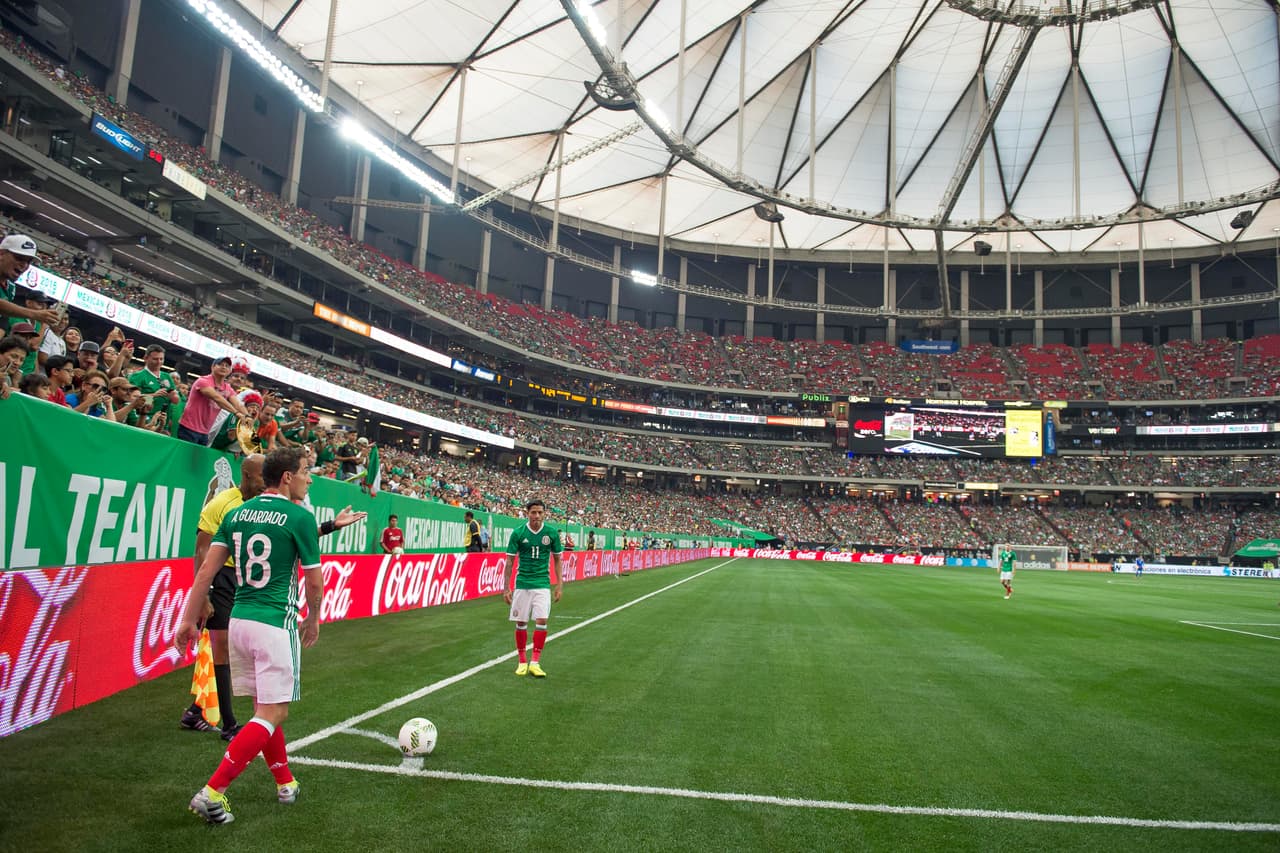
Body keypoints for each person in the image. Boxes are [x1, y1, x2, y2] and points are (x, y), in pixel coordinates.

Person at [174, 447, 321, 824]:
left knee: (264, 709)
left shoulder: (237, 513)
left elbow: (206, 571)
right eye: (305, 471)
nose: (309, 478)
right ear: (286, 477)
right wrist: (314, 618)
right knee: (274, 710)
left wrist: (188, 619)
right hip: (274, 624)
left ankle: (285, 781)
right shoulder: (300, 516)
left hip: (238, 620)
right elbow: (313, 577)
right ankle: (212, 792)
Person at [179, 454, 267, 741]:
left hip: (241, 581)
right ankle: (229, 724)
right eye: (261, 477)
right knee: (222, 648)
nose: (265, 484)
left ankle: (195, 711)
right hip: (220, 580)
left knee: (231, 648)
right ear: (247, 475)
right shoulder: (221, 504)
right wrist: (202, 596)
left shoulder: (260, 504)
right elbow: (201, 550)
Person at [503, 499, 564, 678]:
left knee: (542, 621)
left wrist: (559, 584)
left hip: (542, 584)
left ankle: (535, 662)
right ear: (527, 513)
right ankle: (522, 661)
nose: (537, 516)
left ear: (544, 513)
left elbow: (558, 559)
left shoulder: (551, 533)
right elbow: (509, 561)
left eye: (540, 513)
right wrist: (506, 587)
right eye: (533, 512)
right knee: (521, 623)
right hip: (522, 583)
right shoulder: (518, 533)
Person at [178, 355, 250, 446]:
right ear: (212, 367)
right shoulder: (203, 381)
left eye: (227, 366)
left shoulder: (227, 388)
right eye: (220, 364)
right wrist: (236, 413)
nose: (224, 367)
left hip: (205, 432)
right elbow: (217, 398)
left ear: (229, 371)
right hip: (189, 428)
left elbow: (238, 404)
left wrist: (248, 416)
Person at [0, 235, 58, 332]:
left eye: (28, 262)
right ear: (1, 254)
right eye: (19, 258)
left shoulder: (10, 287)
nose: (24, 265)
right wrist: (35, 314)